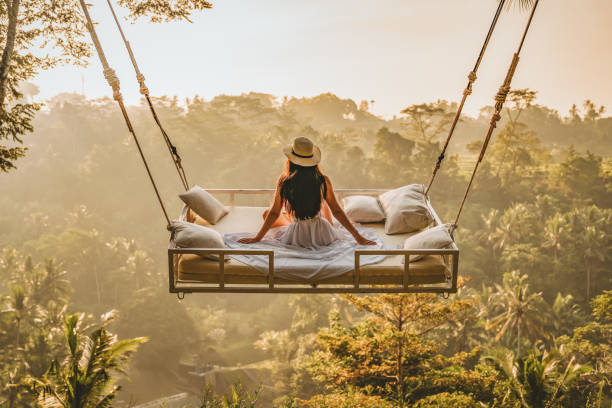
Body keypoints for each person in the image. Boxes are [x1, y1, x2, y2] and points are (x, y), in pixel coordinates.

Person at [238, 136, 376, 247]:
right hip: (322, 232)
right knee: (325, 204)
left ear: (291, 159)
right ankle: (329, 225)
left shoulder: (284, 180)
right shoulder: (322, 180)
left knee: (267, 213)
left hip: (298, 234)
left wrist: (257, 238)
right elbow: (337, 211)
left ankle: (292, 220)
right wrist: (358, 236)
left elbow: (274, 213)